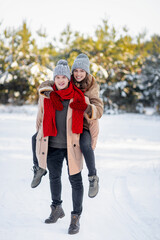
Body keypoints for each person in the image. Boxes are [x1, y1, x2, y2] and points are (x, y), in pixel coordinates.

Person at [33, 59, 99, 234]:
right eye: (57, 77)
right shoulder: (46, 96)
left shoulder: (79, 97)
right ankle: (56, 209)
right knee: (54, 178)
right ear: (54, 78)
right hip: (53, 144)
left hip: (73, 146)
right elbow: (39, 120)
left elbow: (93, 124)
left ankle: (75, 217)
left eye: (64, 76)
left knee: (75, 182)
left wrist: (90, 146)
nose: (61, 80)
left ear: (69, 79)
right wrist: (40, 138)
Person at [36, 53, 104, 198]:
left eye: (82, 71)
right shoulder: (68, 78)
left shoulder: (92, 85)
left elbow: (98, 109)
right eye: (76, 70)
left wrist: (86, 108)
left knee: (86, 145)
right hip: (69, 120)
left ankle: (93, 177)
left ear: (87, 72)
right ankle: (38, 168)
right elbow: (53, 82)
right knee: (35, 137)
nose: (78, 74)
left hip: (84, 123)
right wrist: (48, 91)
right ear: (72, 72)